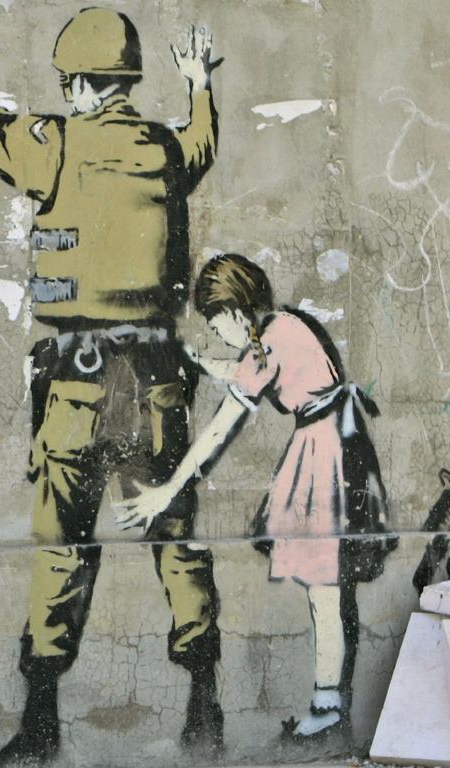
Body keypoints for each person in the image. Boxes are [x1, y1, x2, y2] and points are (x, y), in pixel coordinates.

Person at [0, 1, 223, 763]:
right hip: (154, 380)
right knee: (175, 540)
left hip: (80, 384)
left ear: (83, 83)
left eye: (67, 83)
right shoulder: (161, 150)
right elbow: (201, 144)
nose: (67, 95)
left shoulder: (54, 146)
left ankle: (42, 714)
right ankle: (207, 701)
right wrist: (198, 86)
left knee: (62, 547)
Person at [117, 253, 397, 742]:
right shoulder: (283, 326)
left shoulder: (269, 341)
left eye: (215, 321)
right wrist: (206, 362)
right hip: (332, 442)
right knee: (326, 585)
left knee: (323, 587)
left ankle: (328, 702)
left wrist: (167, 491)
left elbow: (220, 429)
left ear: (232, 312)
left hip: (323, 453)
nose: (215, 331)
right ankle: (327, 698)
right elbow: (251, 368)